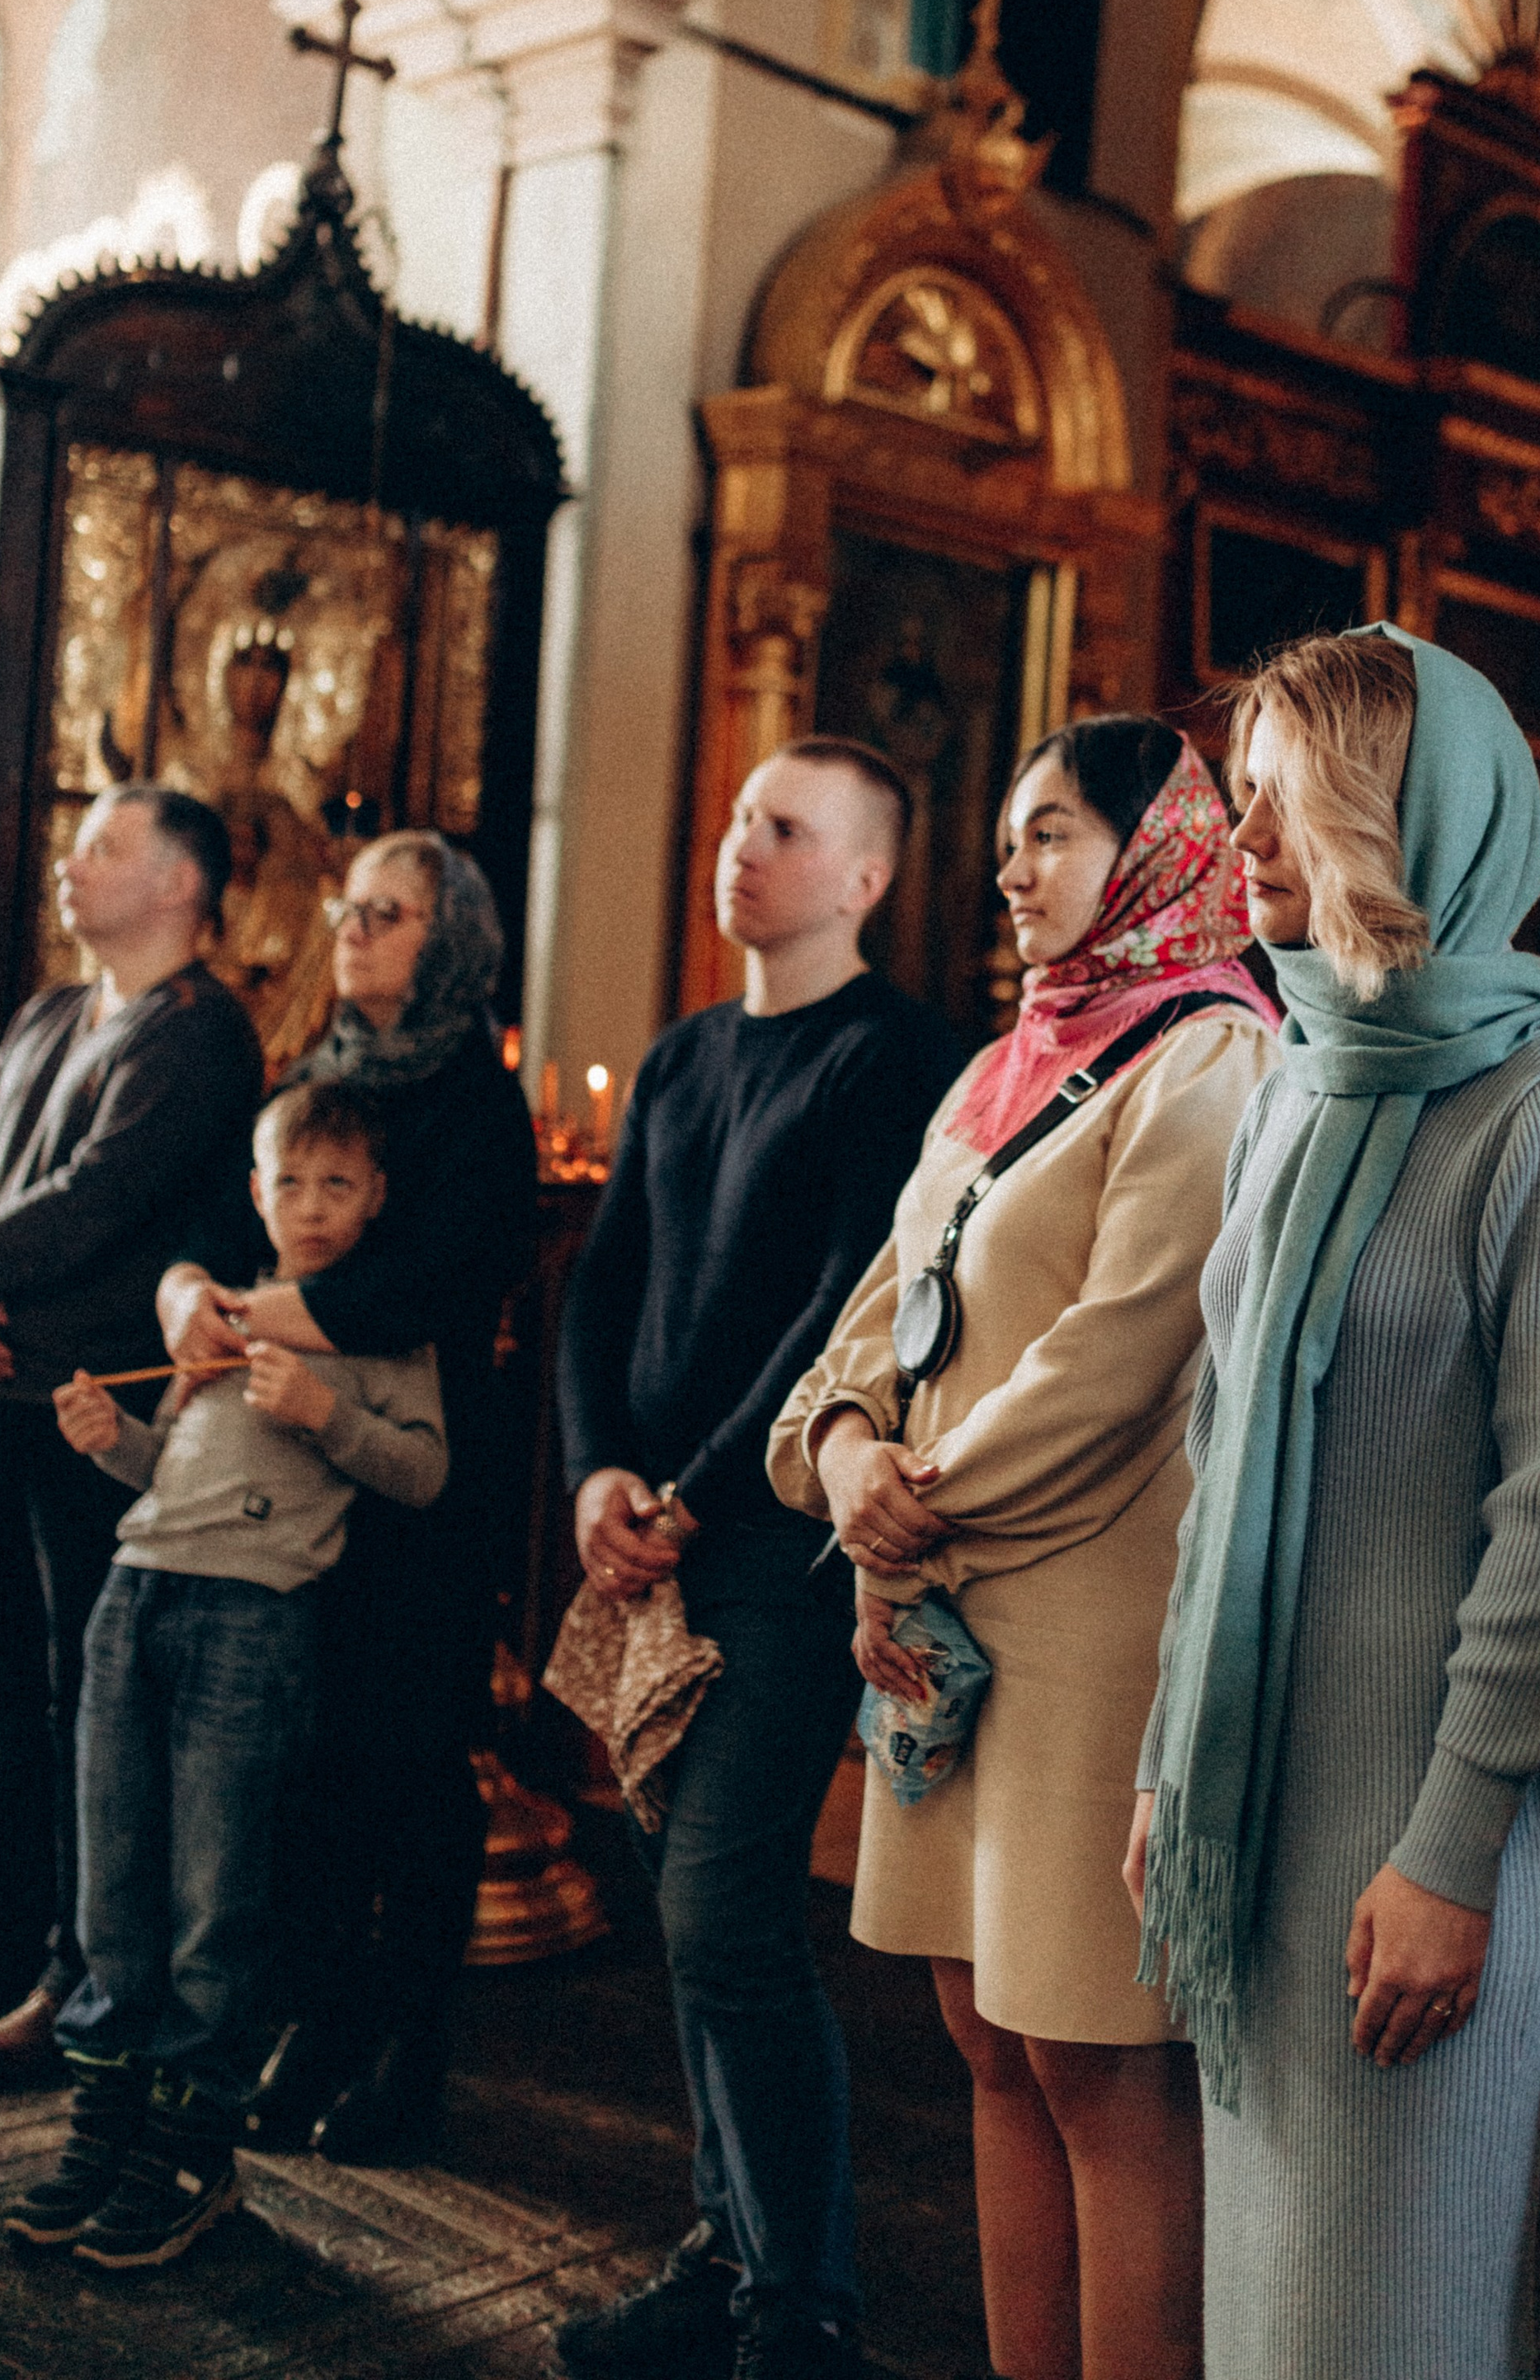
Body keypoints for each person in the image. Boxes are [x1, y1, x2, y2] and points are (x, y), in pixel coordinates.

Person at [1127, 628, 1540, 2380]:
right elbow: (1219, 1458)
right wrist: (1166, 1762)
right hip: (1258, 1820)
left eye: (1284, 800)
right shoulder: (1301, 1073)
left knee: (1382, 2336)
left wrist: (1448, 1852)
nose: (1248, 841)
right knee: (1270, 2332)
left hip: (1418, 1832)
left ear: (1401, 814)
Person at [771, 717, 1279, 2380]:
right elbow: (876, 1312)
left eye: (1052, 833)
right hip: (940, 1611)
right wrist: (843, 1449)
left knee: (1097, 2066)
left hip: (1085, 1626)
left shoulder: (1210, 1054)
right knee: (983, 2038)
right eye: (1008, 837)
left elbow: (1120, 1352)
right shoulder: (1000, 1067)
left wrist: (907, 1506)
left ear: (1157, 851)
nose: (1012, 867)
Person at [552, 738, 963, 2380]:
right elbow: (602, 1283)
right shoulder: (682, 1055)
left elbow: (839, 1316)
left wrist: (695, 1495)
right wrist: (594, 1469)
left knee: (726, 1912)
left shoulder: (896, 1058)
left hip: (782, 1549)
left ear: (864, 877)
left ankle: (804, 2306)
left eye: (784, 829)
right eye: (737, 815)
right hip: (648, 1538)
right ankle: (730, 2260)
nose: (741, 844)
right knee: (682, 1908)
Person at [8, 1081, 446, 2268]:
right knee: (114, 1885)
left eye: (338, 1185)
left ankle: (190, 2155)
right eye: (289, 1183)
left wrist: (324, 1413)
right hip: (135, 1591)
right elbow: (173, 1481)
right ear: (255, 1194)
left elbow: (421, 1471)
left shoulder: (376, 1329)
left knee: (212, 1900)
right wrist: (119, 1448)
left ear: (376, 1200)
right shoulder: (222, 1316)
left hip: (254, 1621)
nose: (310, 1206)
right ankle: (104, 2131)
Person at [0, 786, 263, 2083]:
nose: (69, 862)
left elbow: (96, 1203)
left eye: (103, 844)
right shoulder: (50, 1013)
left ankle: (83, 1971)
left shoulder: (199, 1036)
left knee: (90, 1695)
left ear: (178, 887)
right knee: (3, 1679)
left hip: (100, 1407)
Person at [153, 828, 538, 2159]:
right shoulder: (319, 1068)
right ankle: (315, 2022)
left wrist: (264, 1310)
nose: (355, 928)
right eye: (350, 906)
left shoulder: (477, 1098)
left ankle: (406, 2053)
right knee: (311, 1767)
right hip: (288, 1471)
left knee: (415, 1767)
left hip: (422, 1477)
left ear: (453, 940)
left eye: (388, 912)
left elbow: (431, 1283)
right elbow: (216, 1219)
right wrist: (188, 1295)